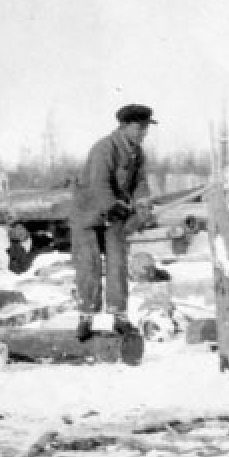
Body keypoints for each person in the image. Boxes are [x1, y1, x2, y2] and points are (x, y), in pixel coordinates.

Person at [71, 103, 156, 339]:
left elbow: (140, 183)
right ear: (124, 126)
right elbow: (99, 184)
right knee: (89, 266)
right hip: (88, 214)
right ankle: (86, 318)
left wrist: (143, 204)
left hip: (114, 213)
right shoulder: (104, 148)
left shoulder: (138, 153)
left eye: (146, 128)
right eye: (139, 128)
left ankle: (119, 317)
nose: (143, 133)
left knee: (117, 263)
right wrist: (113, 206)